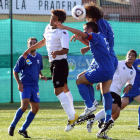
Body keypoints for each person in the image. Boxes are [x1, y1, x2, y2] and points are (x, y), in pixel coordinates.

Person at [54, 21, 114, 136]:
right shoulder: (101, 37)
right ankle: (106, 115)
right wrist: (81, 39)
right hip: (109, 68)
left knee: (79, 81)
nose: (84, 31)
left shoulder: (95, 35)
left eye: (85, 29)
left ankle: (90, 105)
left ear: (90, 30)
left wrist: (65, 27)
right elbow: (89, 42)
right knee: (100, 89)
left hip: (102, 69)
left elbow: (85, 35)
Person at [22, 9, 78, 132]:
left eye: (54, 18)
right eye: (51, 17)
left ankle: (71, 117)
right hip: (53, 63)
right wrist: (28, 50)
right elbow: (43, 41)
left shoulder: (63, 32)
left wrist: (56, 52)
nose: (51, 20)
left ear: (60, 21)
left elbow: (65, 50)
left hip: (60, 63)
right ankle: (73, 114)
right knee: (63, 88)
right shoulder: (48, 27)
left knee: (58, 91)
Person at [87, 49, 137, 139]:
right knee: (113, 108)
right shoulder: (118, 63)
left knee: (116, 114)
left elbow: (131, 84)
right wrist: (101, 82)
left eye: (132, 55)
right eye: (129, 54)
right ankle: (92, 120)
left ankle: (102, 132)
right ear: (126, 56)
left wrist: (128, 87)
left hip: (117, 92)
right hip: (109, 88)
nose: (130, 56)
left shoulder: (133, 71)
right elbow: (108, 71)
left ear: (135, 58)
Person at [8, 37, 47, 138]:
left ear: (37, 45)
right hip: (25, 85)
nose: (32, 44)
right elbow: (15, 71)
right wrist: (19, 83)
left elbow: (38, 69)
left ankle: (23, 129)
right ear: (28, 45)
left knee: (35, 109)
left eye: (34, 43)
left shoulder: (39, 57)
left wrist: (41, 75)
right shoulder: (23, 57)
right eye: (30, 43)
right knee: (25, 105)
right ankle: (12, 126)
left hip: (35, 86)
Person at [121, 54, 140, 130]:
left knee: (118, 107)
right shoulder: (136, 62)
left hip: (131, 88)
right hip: (133, 87)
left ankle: (101, 119)